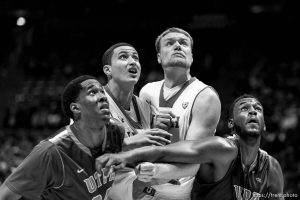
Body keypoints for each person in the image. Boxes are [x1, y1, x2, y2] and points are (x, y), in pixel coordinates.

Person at [96, 94, 285, 200]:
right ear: (231, 123)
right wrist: (124, 157)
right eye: (244, 108)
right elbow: (163, 152)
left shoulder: (272, 168)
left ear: (264, 124)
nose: (252, 111)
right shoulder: (222, 148)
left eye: (257, 109)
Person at [0, 75, 125, 200]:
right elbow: (5, 195)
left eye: (102, 92)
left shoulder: (116, 130)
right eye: (92, 92)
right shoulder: (51, 152)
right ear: (76, 108)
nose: (103, 96)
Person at [138, 27, 221, 199]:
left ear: (191, 56)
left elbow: (191, 160)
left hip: (177, 192)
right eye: (169, 43)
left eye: (183, 43)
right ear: (159, 57)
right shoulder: (146, 92)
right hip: (141, 185)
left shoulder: (205, 96)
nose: (177, 46)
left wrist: (153, 169)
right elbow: (139, 141)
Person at [101, 42, 172, 200]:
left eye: (136, 58)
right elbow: (83, 152)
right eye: (123, 57)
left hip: (136, 186)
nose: (132, 61)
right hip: (102, 189)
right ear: (108, 70)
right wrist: (132, 140)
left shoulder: (145, 107)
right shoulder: (95, 102)